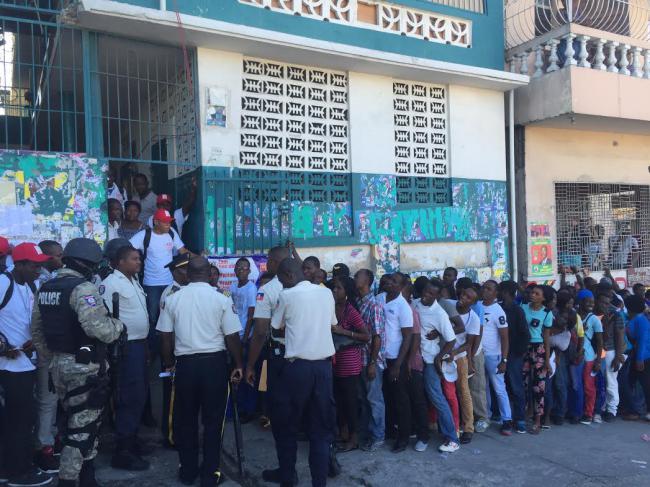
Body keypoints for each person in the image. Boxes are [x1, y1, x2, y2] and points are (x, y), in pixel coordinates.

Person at [31, 238, 124, 487]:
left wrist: (53, 359)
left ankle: (88, 477)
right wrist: (117, 326)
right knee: (80, 433)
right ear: (87, 264)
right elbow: (98, 329)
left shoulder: (47, 287)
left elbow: (37, 331)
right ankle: (68, 480)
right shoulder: (83, 289)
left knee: (84, 423)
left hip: (58, 366)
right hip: (83, 369)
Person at [157, 257, 243, 487]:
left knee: (186, 420)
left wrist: (168, 363)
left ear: (188, 274)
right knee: (214, 422)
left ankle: (187, 471)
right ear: (208, 273)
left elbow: (164, 336)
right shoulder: (221, 299)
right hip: (214, 365)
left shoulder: (173, 299)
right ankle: (210, 474)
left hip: (185, 365)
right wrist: (239, 364)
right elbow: (232, 336)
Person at [260, 258, 336, 487]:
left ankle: (287, 477)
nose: (282, 285)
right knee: (320, 432)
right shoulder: (326, 293)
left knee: (286, 427)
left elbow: (276, 326)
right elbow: (331, 323)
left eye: (282, 280)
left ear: (290, 276)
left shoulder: (287, 295)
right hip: (323, 369)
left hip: (297, 368)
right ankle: (319, 483)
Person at [0, 243, 52, 487]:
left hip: (27, 362)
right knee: (19, 420)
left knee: (19, 419)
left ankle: (10, 467)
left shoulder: (31, 285)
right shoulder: (3, 282)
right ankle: (19, 473)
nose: (39, 270)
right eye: (34, 265)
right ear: (18, 264)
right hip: (9, 367)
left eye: (40, 265)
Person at [244, 246, 296, 484]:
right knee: (314, 415)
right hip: (311, 359)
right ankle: (326, 462)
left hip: (281, 359)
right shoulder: (312, 288)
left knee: (283, 418)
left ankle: (287, 472)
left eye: (268, 261)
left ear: (276, 263)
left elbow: (260, 332)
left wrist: (250, 365)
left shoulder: (268, 290)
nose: (266, 265)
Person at [99, 245, 150, 471]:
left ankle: (131, 440)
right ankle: (123, 451)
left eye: (139, 258)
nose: (138, 262)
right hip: (125, 347)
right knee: (128, 396)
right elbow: (103, 316)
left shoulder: (133, 280)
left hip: (139, 345)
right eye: (134, 258)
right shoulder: (110, 284)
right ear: (120, 261)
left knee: (138, 395)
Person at [129, 209, 188, 349]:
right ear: (156, 222)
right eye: (166, 222)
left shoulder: (172, 234)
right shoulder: (144, 235)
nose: (169, 225)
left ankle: (171, 346)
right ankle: (152, 348)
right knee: (153, 317)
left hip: (170, 283)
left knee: (172, 315)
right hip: (151, 284)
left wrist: (198, 258)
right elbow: (128, 249)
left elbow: (183, 252)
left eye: (170, 222)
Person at [414, 279, 460, 453]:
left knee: (437, 398)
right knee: (424, 398)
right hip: (417, 359)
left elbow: (451, 339)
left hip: (430, 360)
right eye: (425, 291)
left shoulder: (439, 313)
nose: (426, 295)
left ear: (437, 296)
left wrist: (439, 358)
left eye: (431, 293)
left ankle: (452, 438)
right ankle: (427, 431)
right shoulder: (416, 304)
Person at [327, 277, 369, 452]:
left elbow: (366, 336)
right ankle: (343, 434)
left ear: (347, 292)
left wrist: (344, 331)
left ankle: (354, 438)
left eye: (339, 288)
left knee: (350, 402)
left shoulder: (350, 311)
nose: (335, 290)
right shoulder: (330, 308)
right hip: (334, 361)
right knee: (339, 400)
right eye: (333, 288)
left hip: (349, 362)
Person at [33, 240, 64, 474]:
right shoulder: (44, 282)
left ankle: (49, 441)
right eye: (57, 255)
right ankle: (44, 448)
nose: (60, 259)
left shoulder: (41, 280)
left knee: (49, 400)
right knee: (47, 401)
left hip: (37, 350)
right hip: (40, 350)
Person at [158, 253, 191, 447]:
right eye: (184, 269)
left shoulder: (190, 290)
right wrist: (168, 361)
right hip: (174, 352)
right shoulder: (170, 293)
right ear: (175, 272)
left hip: (188, 352)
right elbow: (165, 333)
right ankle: (171, 436)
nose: (188, 272)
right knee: (172, 399)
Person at [378, 273, 413, 452]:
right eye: (390, 280)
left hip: (394, 359)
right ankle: (389, 430)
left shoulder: (403, 307)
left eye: (395, 282)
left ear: (402, 287)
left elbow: (407, 337)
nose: (390, 283)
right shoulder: (380, 298)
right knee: (387, 397)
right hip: (380, 358)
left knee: (401, 400)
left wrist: (398, 365)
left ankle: (403, 437)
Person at [354, 269, 387, 453]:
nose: (355, 278)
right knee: (364, 399)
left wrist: (373, 363)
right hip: (360, 359)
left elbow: (377, 337)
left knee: (374, 399)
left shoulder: (374, 305)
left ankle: (378, 436)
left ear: (367, 280)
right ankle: (367, 433)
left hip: (370, 360)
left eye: (357, 276)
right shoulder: (359, 302)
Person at [402, 278, 431, 452]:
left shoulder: (410, 310)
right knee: (406, 400)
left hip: (412, 362)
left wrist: (409, 360)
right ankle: (411, 430)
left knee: (418, 400)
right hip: (401, 360)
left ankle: (423, 435)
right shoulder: (400, 306)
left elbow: (416, 336)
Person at [480, 280, 512, 435]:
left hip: (494, 356)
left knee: (499, 388)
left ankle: (507, 420)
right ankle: (486, 416)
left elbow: (505, 337)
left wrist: (504, 360)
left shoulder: (498, 310)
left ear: (495, 293)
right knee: (482, 387)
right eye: (484, 288)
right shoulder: (478, 306)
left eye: (489, 289)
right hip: (479, 354)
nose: (485, 291)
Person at [498, 280, 530, 434]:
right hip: (498, 352)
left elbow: (525, 334)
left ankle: (520, 419)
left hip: (513, 354)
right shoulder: (498, 308)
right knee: (502, 386)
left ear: (505, 292)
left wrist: (517, 353)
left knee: (516, 386)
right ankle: (505, 416)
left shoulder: (516, 311)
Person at [521, 285, 553, 434]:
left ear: (543, 298)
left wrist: (547, 359)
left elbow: (546, 337)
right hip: (524, 347)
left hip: (538, 348)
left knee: (539, 386)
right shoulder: (523, 307)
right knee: (523, 382)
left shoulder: (547, 313)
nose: (532, 295)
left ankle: (538, 420)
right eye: (532, 293)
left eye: (536, 293)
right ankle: (525, 413)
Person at [229, 257, 258, 420]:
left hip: (244, 336)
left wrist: (245, 338)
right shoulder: (233, 286)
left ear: (249, 271)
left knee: (247, 372)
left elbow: (251, 315)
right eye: (238, 268)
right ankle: (237, 407)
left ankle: (248, 409)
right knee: (236, 372)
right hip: (234, 335)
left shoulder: (251, 288)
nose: (241, 271)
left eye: (244, 268)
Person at [451, 287, 481, 443]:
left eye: (468, 297)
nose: (463, 297)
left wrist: (454, 355)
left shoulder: (473, 319)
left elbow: (468, 344)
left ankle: (468, 428)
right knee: (447, 392)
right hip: (443, 354)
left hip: (459, 356)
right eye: (463, 294)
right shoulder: (449, 306)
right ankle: (450, 426)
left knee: (463, 391)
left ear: (473, 302)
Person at [595, 292, 626, 421]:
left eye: (607, 303)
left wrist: (617, 356)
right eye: (602, 302)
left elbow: (619, 337)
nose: (605, 305)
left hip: (611, 351)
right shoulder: (593, 314)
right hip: (598, 352)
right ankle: (602, 408)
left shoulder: (615, 315)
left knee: (611, 381)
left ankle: (612, 410)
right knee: (601, 381)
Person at [576, 290, 603, 425]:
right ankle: (577, 411)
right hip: (575, 355)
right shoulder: (574, 315)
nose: (590, 304)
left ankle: (589, 413)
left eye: (592, 302)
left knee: (588, 386)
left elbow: (599, 341)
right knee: (576, 385)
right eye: (587, 302)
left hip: (588, 357)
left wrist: (598, 360)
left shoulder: (594, 319)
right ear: (580, 302)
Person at [625, 294, 650, 419]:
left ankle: (638, 411)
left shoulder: (640, 319)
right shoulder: (637, 318)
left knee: (644, 384)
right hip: (639, 354)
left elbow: (642, 340)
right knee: (631, 382)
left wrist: (640, 359)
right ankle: (634, 409)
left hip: (643, 356)